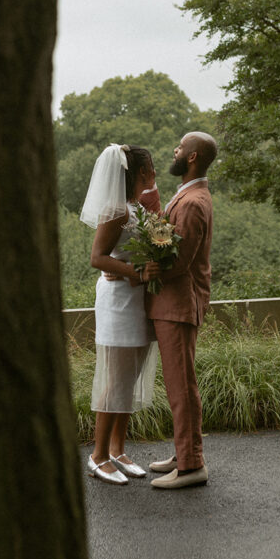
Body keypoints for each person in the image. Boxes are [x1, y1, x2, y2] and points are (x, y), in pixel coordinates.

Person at [80, 143, 159, 485]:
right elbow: (98, 258)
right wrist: (135, 271)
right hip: (118, 303)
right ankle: (97, 456)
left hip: (138, 303)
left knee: (130, 377)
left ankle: (118, 448)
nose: (155, 171)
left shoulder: (136, 207)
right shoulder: (116, 210)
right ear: (140, 171)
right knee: (114, 379)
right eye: (152, 166)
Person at [142, 132, 217, 490]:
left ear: (192, 157)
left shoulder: (191, 202)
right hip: (175, 303)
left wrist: (142, 269)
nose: (175, 150)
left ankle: (190, 466)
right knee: (179, 384)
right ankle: (183, 451)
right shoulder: (190, 194)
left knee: (181, 387)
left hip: (178, 303)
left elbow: (179, 262)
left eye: (180, 147)